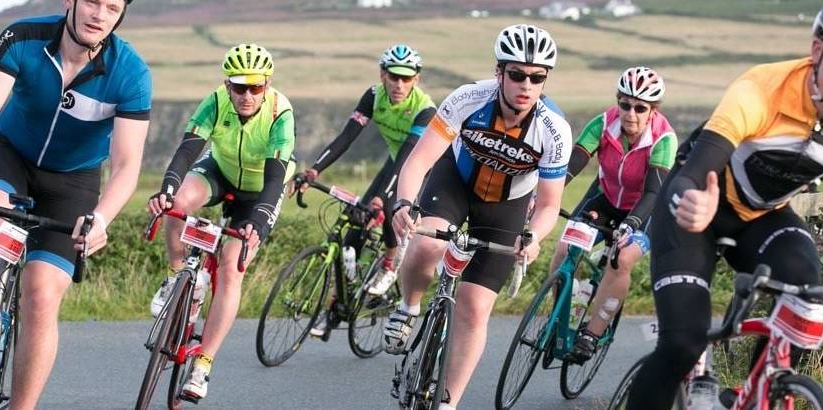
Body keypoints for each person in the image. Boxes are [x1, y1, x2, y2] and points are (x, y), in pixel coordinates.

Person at [625, 1, 823, 408]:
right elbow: (696, 167)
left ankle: (758, 390)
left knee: (810, 304)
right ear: (818, 49)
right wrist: (694, 200)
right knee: (683, 344)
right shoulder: (760, 90)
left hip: (761, 217)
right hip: (695, 209)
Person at [0, 0, 150, 408]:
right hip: (10, 153)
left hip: (73, 182)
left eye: (112, 7)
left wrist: (101, 219)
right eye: (93, 2)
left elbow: (126, 164)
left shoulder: (130, 73)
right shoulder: (22, 37)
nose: (100, 14)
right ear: (71, 1)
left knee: (42, 293)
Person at [387, 24, 572, 409]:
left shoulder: (554, 131)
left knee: (474, 306)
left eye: (537, 78)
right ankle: (408, 307)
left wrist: (534, 236)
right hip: (455, 182)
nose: (526, 85)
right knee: (424, 246)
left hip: (506, 205)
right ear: (499, 73)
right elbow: (420, 159)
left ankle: (448, 402)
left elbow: (550, 204)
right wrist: (404, 204)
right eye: (517, 74)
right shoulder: (468, 99)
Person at [147, 43, 294, 401]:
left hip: (262, 189)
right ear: (226, 84)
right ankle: (177, 276)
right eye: (238, 86)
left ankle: (203, 365)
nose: (246, 95)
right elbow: (187, 149)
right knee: (178, 204)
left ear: (267, 84)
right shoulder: (215, 100)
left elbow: (276, 178)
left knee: (231, 264)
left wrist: (259, 218)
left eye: (255, 87)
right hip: (222, 171)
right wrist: (166, 188)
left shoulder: (280, 111)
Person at [300, 45, 435, 339]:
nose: (399, 85)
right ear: (382, 75)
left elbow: (406, 163)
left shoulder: (424, 109)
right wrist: (314, 170)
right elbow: (346, 136)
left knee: (386, 207)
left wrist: (380, 198)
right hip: (394, 160)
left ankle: (389, 264)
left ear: (416, 79)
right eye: (393, 77)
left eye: (406, 78)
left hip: (421, 166)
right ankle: (336, 307)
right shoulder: (374, 96)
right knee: (353, 230)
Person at [548, 66, 677, 363]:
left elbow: (653, 193)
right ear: (618, 101)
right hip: (605, 199)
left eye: (640, 108)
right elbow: (572, 165)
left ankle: (591, 335)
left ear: (652, 110)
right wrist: (548, 196)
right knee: (566, 248)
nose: (630, 113)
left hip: (645, 209)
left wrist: (631, 224)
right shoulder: (603, 123)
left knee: (621, 260)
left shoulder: (664, 140)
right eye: (625, 104)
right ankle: (559, 317)